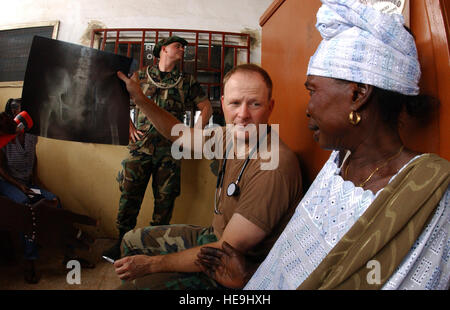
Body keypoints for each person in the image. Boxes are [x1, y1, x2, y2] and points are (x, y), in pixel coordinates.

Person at [196, 0, 450, 290]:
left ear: (358, 94)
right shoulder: (339, 165)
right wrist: (251, 277)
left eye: (313, 91)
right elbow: (303, 268)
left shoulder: (428, 194)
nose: (308, 108)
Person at [113, 63, 303, 289]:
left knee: (136, 285)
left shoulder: (273, 167)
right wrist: (141, 99)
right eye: (235, 103)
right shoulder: (230, 136)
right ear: (223, 104)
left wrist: (152, 265)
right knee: (130, 241)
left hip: (232, 268)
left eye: (255, 104)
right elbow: (180, 135)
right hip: (213, 237)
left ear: (270, 107)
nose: (242, 115)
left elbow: (225, 252)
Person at [103, 36, 212, 260]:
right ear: (163, 49)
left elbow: (206, 106)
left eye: (183, 47)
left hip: (171, 151)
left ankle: (154, 249)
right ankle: (121, 245)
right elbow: (117, 99)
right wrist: (129, 125)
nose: (182, 49)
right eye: (177, 46)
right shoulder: (141, 76)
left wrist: (194, 135)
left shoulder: (186, 80)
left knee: (165, 202)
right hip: (140, 148)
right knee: (129, 197)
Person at [0, 98, 95, 283]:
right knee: (26, 209)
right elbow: (1, 170)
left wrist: (35, 180)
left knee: (54, 201)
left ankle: (70, 254)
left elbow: (33, 157)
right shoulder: (4, 140)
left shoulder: (30, 135)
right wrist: (19, 185)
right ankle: (30, 261)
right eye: (16, 114)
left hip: (27, 183)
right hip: (9, 183)